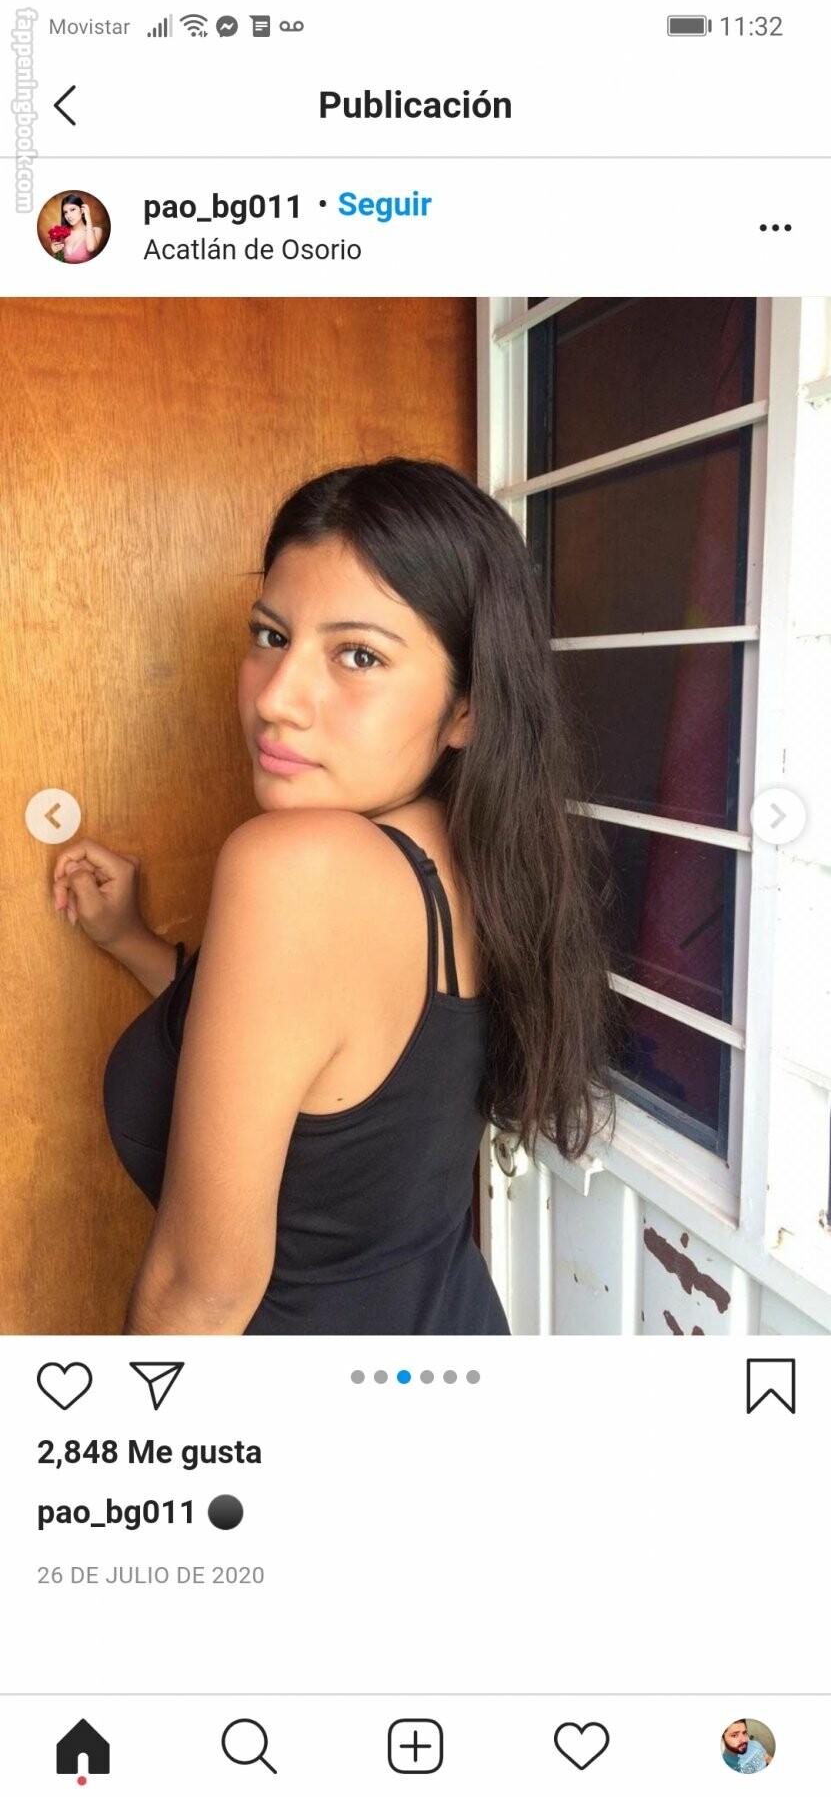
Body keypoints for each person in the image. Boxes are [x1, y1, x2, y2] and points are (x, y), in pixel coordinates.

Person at [52, 458, 619, 1334]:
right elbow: (313, 1068)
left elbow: (200, 1289)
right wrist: (133, 943)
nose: (277, 699)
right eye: (270, 635)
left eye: (358, 655)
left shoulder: (298, 866)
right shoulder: (475, 850)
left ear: (467, 706)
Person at [50, 194, 102, 262]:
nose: (69, 216)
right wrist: (55, 253)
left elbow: (91, 248)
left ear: (82, 210)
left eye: (72, 210)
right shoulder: (63, 234)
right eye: (65, 212)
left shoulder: (96, 230)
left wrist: (88, 219)